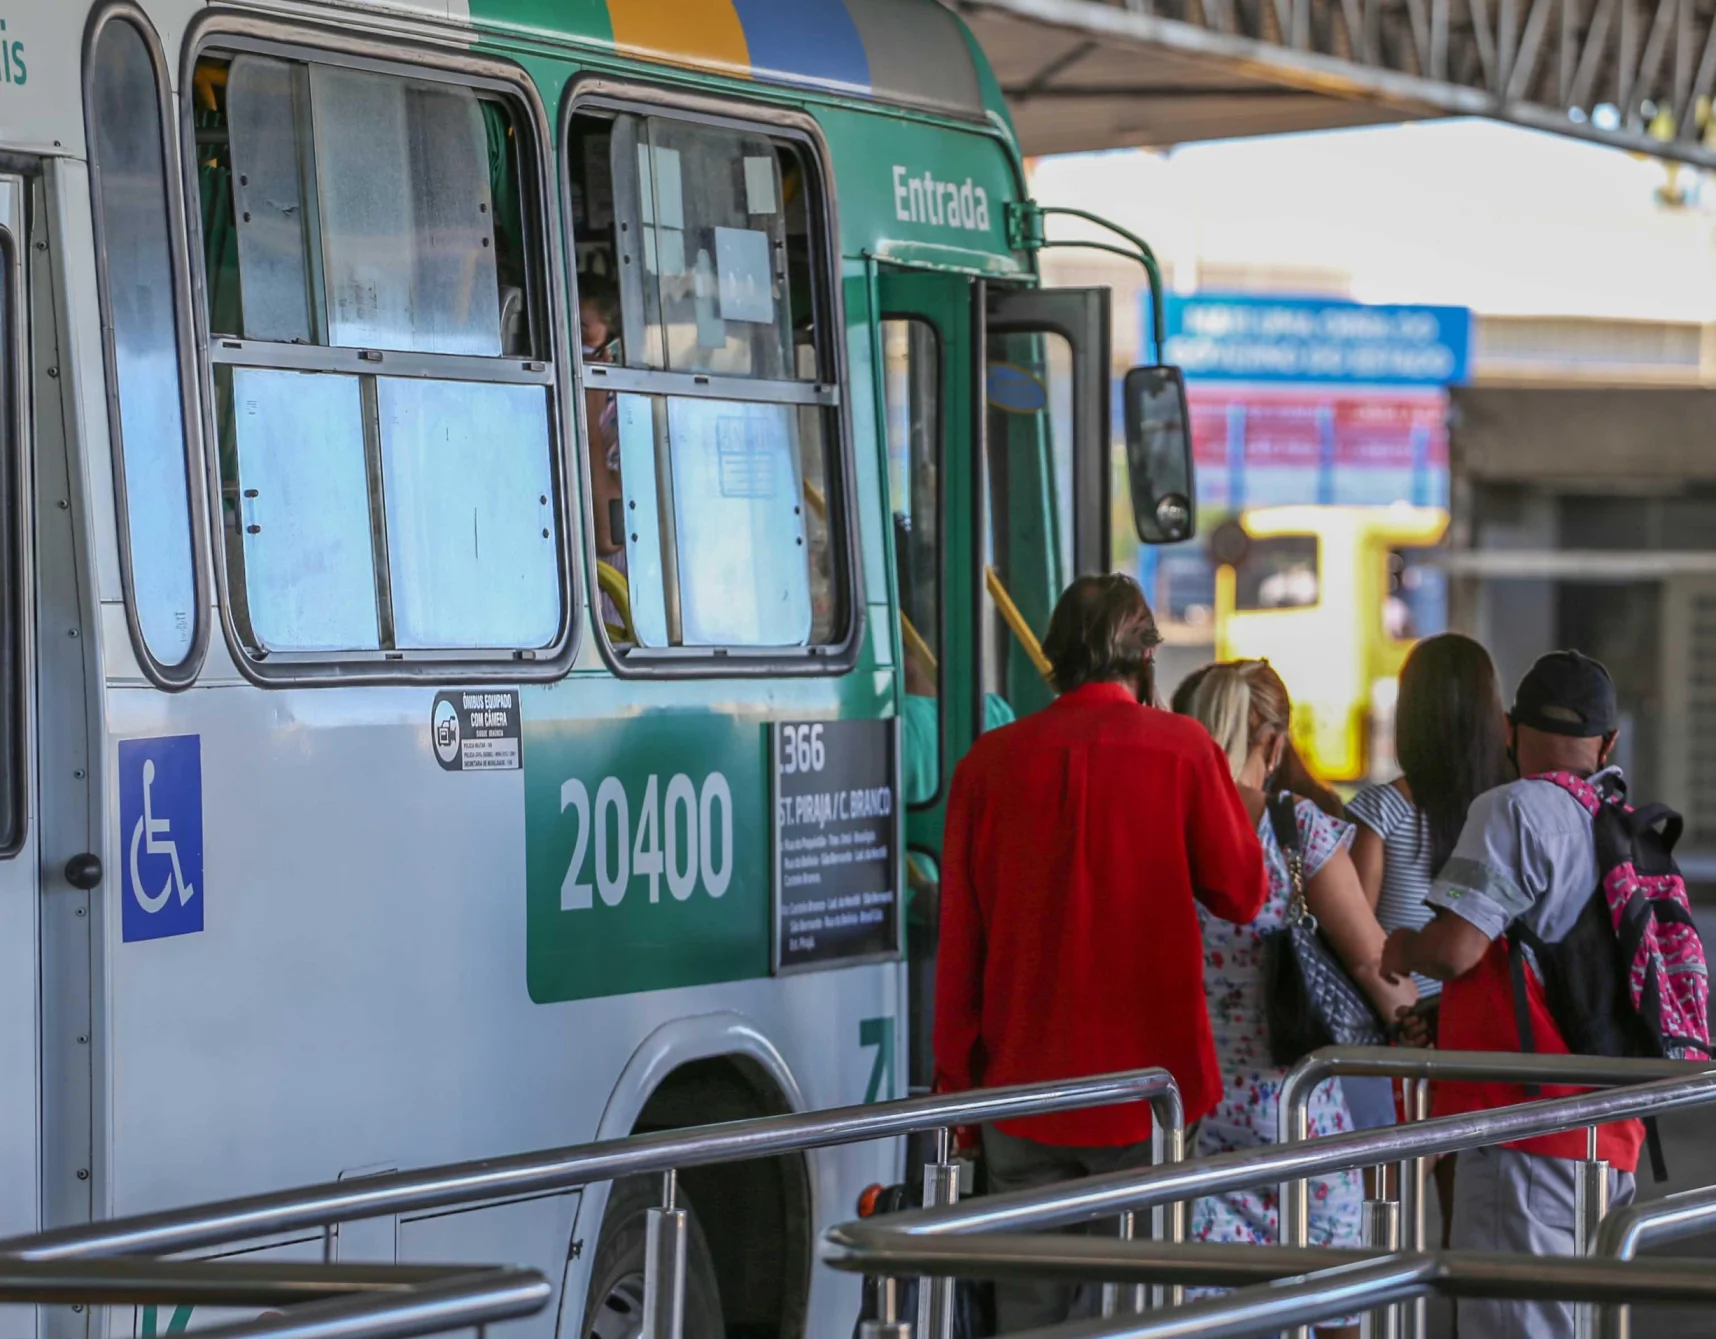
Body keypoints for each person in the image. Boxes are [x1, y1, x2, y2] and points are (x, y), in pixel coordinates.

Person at [934, 574, 1267, 1332]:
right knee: (1136, 1312)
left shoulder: (987, 764)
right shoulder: (1184, 751)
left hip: (1018, 1091)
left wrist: (958, 1087)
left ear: (1053, 659)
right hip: (1149, 1096)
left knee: (1029, 1315)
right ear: (1147, 660)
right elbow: (1242, 894)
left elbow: (961, 947)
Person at [1380, 650, 1638, 1339]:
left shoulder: (1515, 809)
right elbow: (1562, 969)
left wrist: (1403, 946)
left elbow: (1456, 947)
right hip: (1610, 1135)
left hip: (1526, 1140)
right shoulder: (1623, 824)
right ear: (1607, 743)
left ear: (1507, 728)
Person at [1178, 660, 1416, 1339]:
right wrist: (1419, 1020)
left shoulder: (1163, 825)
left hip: (1190, 1129)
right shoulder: (1295, 828)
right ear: (1274, 745)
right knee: (1332, 1308)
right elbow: (1371, 958)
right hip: (1297, 1127)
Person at [1344, 634, 1512, 1133]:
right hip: (1488, 1043)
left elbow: (1357, 936)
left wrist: (1408, 1017)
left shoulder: (1382, 813)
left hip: (1400, 1044)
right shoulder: (1510, 813)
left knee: (1393, 1200)